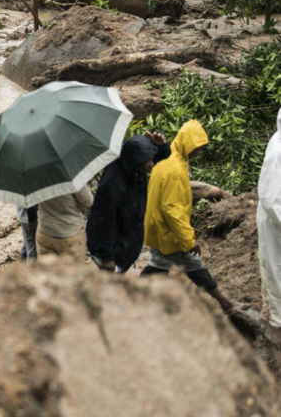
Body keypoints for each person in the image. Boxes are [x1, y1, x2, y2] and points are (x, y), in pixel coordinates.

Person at [141, 120, 243, 313]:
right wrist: (188, 239)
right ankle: (226, 304)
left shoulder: (170, 161)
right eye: (198, 147)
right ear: (187, 143)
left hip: (157, 228)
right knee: (193, 265)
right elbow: (172, 208)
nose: (200, 151)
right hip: (168, 231)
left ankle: (135, 297)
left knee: (158, 266)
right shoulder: (175, 169)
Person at [86, 132, 170, 273]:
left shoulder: (134, 169)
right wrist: (107, 257)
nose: (151, 164)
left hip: (126, 241)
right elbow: (105, 222)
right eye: (148, 161)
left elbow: (160, 157)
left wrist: (161, 146)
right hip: (111, 250)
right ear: (137, 160)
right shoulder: (112, 186)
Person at [257, 108, 281, 330]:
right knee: (277, 273)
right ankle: (276, 324)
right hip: (276, 225)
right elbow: (270, 197)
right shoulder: (279, 148)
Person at [35, 185, 93, 261]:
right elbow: (88, 201)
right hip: (69, 232)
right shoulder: (71, 179)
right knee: (73, 271)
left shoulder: (38, 177)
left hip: (45, 231)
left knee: (46, 271)